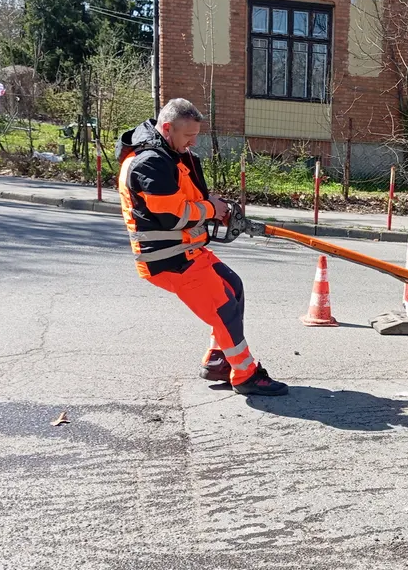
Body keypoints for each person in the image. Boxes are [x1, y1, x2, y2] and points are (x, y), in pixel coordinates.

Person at [116, 98, 288, 396]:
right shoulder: (151, 162)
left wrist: (215, 207)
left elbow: (188, 200)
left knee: (232, 287)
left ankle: (218, 360)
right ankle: (245, 375)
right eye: (188, 135)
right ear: (167, 128)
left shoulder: (169, 154)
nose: (193, 142)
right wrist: (210, 208)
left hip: (186, 251)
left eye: (196, 135)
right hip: (170, 259)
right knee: (224, 310)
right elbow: (171, 215)